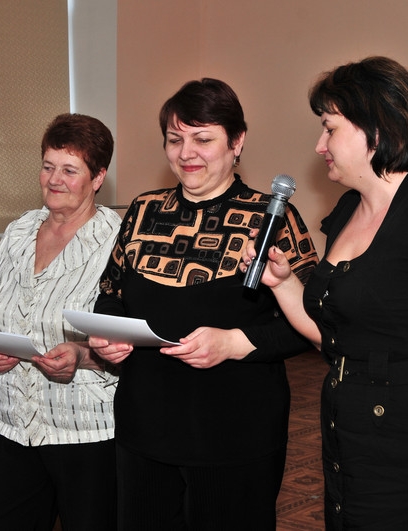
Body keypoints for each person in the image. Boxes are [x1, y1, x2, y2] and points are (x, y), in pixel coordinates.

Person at [241, 56, 408, 530]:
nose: (320, 146)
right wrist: (285, 284)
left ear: (376, 129)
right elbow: (337, 337)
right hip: (350, 442)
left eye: (329, 128)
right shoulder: (349, 209)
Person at [88, 78, 318, 531]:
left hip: (235, 434)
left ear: (237, 142)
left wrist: (235, 343)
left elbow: (313, 322)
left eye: (203, 139)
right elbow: (110, 295)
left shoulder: (272, 219)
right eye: (175, 139)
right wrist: (107, 333)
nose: (186, 153)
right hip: (144, 428)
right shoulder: (143, 211)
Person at [0, 113, 122, 531]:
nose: (55, 179)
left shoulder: (119, 241)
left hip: (86, 430)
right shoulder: (19, 231)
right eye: (48, 166)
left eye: (70, 170)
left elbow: (128, 338)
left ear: (98, 177)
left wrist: (83, 354)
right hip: (14, 423)